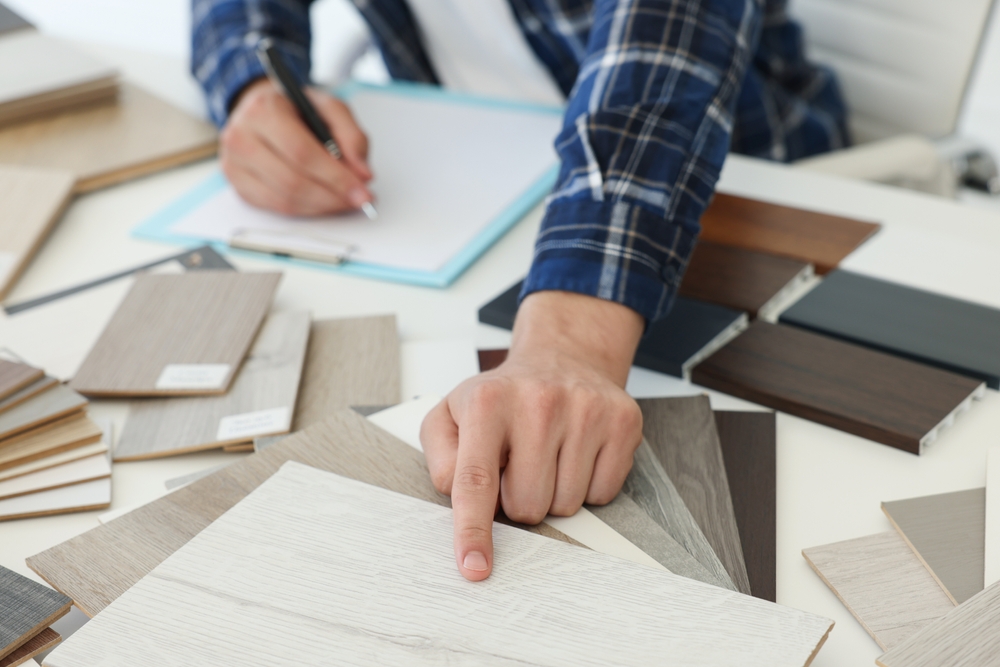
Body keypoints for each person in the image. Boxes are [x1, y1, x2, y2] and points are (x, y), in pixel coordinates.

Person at [192, 0, 848, 581]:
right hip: (481, 163)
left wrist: (569, 345)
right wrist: (252, 86)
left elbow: (659, 70)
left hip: (741, 180)